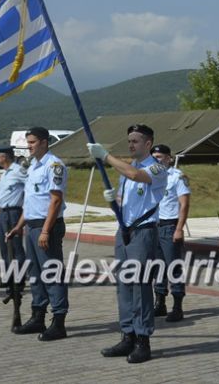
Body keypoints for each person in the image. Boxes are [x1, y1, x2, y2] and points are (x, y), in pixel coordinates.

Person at [87, 123, 168, 364]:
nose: (131, 144)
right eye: (129, 141)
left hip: (143, 232)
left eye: (135, 141)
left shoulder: (157, 167)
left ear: (148, 144)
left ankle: (143, 340)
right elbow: (129, 196)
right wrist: (114, 199)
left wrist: (106, 156)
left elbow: (137, 177)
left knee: (140, 287)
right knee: (124, 285)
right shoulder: (129, 167)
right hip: (124, 232)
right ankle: (127, 335)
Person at [9, 128, 68, 341]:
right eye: (28, 142)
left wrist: (45, 230)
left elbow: (55, 200)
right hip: (31, 226)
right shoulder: (34, 166)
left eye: (32, 142)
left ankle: (59, 321)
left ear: (44, 142)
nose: (29, 146)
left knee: (51, 273)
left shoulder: (54, 166)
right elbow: (31, 200)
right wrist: (19, 225)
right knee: (35, 274)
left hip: (46, 227)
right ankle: (38, 316)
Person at [151, 144, 190, 322]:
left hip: (170, 225)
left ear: (169, 158)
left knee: (174, 267)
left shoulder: (177, 177)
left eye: (160, 156)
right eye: (154, 156)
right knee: (157, 267)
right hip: (154, 226)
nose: (157, 159)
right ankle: (160, 303)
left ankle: (177, 306)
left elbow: (184, 204)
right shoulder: (150, 176)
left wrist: (179, 228)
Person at [0, 146, 27, 289]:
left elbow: (30, 187)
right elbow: (3, 197)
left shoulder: (18, 171)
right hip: (3, 213)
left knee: (15, 247)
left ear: (5, 156)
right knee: (5, 247)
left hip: (14, 212)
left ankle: (19, 280)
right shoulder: (6, 174)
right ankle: (8, 278)